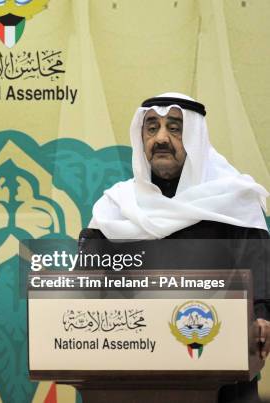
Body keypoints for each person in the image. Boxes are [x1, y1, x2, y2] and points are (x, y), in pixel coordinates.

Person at [80, 92, 270, 402]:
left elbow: (259, 273)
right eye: (152, 128)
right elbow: (84, 287)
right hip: (128, 370)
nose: (162, 138)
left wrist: (262, 316)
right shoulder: (115, 207)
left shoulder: (234, 201)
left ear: (195, 137)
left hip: (221, 372)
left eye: (175, 128)